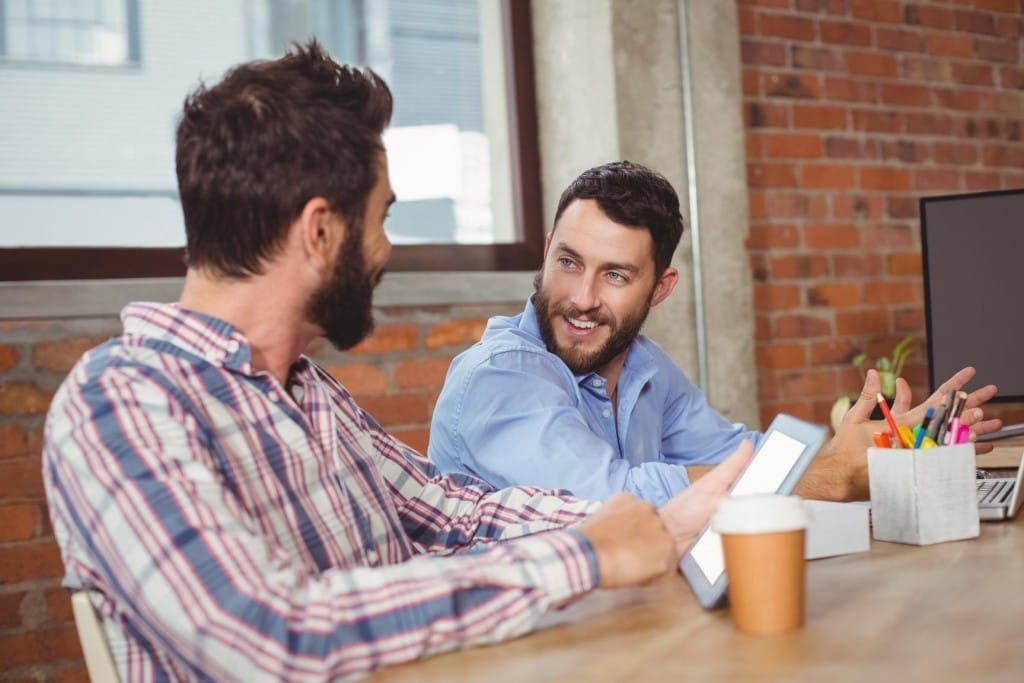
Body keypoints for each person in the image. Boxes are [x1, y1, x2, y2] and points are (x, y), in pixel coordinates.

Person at [41, 45, 753, 682]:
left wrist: (652, 519)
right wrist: (585, 556)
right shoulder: (121, 402)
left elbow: (450, 509)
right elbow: (275, 636)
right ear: (320, 231)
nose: (387, 249)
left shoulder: (306, 391)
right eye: (381, 218)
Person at [428, 161, 1001, 507]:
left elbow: (740, 454)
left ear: (661, 288)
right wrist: (825, 476)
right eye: (569, 261)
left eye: (616, 275)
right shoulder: (500, 376)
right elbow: (608, 502)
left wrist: (883, 445)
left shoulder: (646, 368)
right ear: (547, 248)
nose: (581, 297)